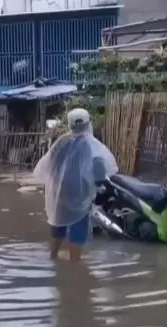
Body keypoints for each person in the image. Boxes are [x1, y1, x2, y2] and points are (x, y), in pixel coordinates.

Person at [31, 108, 117, 261]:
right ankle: (74, 267)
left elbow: (48, 165)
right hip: (80, 194)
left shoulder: (61, 142)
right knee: (78, 230)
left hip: (60, 192)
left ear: (70, 125)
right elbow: (99, 171)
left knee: (58, 226)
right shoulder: (92, 145)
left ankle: (53, 257)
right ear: (87, 123)